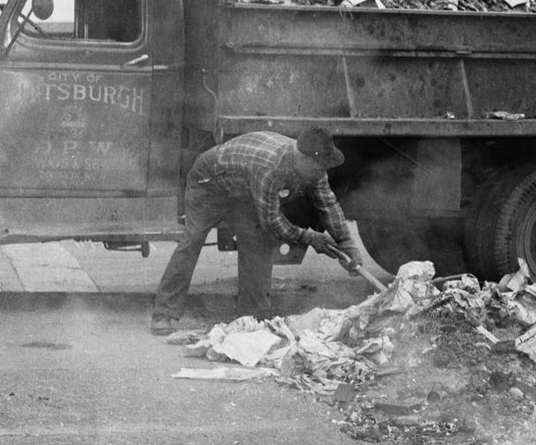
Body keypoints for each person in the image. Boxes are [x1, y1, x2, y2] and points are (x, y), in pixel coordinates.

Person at [150, 127, 388, 334]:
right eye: (319, 167)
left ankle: (252, 318)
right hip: (209, 182)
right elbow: (272, 222)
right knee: (192, 241)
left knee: (258, 241)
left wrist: (346, 244)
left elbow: (328, 205)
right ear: (303, 159)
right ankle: (164, 313)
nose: (322, 173)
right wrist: (311, 238)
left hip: (242, 189)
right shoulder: (270, 167)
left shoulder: (314, 167)